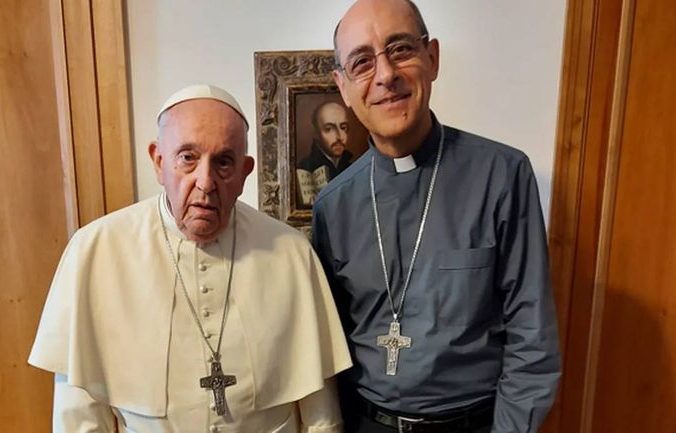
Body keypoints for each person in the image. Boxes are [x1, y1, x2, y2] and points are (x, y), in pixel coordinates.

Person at [29, 84, 352, 432]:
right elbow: (78, 417)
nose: (205, 181)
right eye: (188, 157)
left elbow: (321, 414)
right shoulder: (94, 252)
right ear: (158, 160)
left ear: (245, 172)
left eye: (224, 162)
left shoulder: (290, 253)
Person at [311, 1, 561, 432]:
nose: (386, 75)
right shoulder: (332, 206)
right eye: (362, 63)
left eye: (401, 49)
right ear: (344, 87)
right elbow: (329, 348)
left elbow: (532, 339)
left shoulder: (502, 176)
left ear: (433, 59)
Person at [298, 101, 354, 178]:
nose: (339, 137)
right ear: (316, 134)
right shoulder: (304, 170)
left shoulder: (353, 167)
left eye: (343, 127)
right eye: (329, 129)